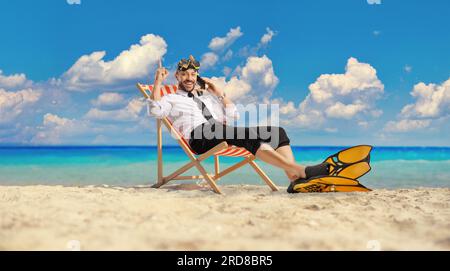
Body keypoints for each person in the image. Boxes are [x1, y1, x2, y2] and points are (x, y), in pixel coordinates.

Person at [147, 55, 329, 189]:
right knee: (243, 135)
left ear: (197, 77)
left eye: (193, 75)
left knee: (276, 132)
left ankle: (293, 178)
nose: (189, 78)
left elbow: (233, 114)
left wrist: (218, 92)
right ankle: (301, 170)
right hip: (199, 137)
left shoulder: (207, 98)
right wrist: (157, 82)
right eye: (185, 74)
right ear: (177, 76)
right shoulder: (171, 98)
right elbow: (155, 110)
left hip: (220, 131)